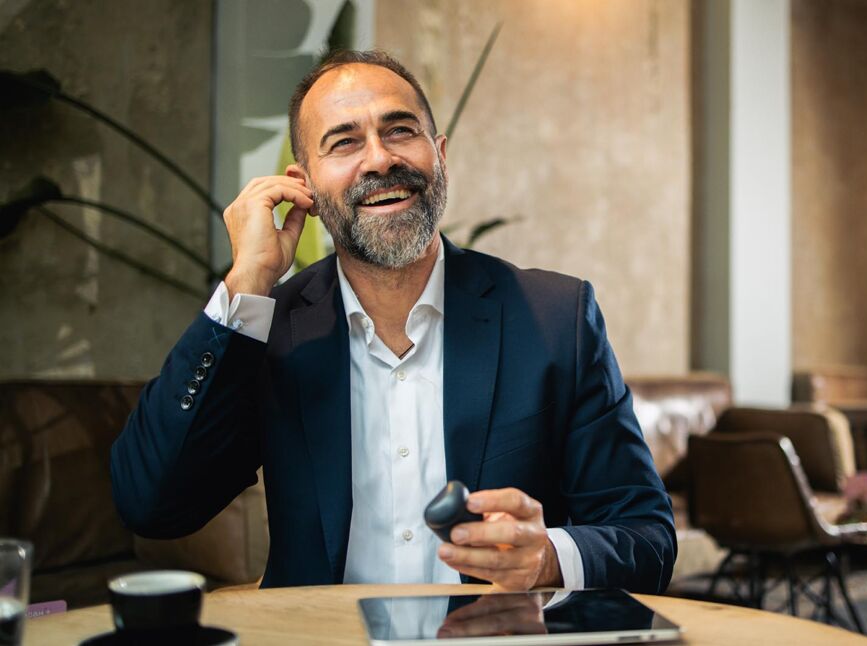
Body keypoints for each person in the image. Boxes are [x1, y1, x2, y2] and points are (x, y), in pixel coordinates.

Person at [110, 50, 675, 593]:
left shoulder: (556, 319)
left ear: (441, 154)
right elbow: (151, 504)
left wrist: (549, 557)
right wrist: (245, 283)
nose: (380, 159)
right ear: (304, 183)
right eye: (344, 142)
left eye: (400, 130)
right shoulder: (268, 329)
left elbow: (646, 537)